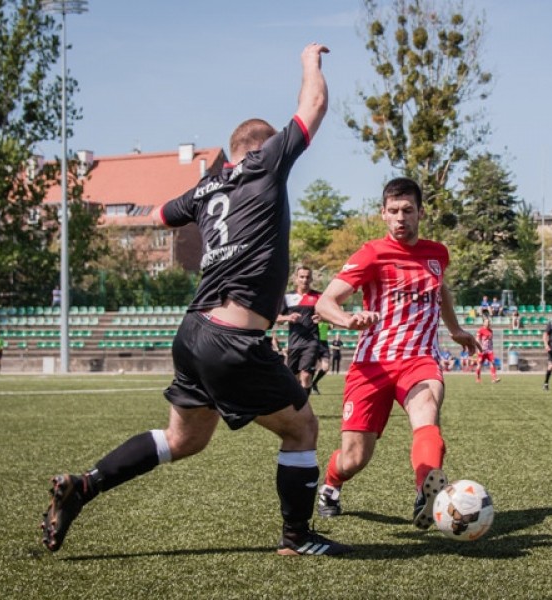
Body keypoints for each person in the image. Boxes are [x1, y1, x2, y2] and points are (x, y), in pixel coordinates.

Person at [39, 43, 351, 557]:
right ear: (262, 148)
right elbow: (313, 106)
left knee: (184, 440)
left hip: (193, 334)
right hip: (232, 337)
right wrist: (309, 63)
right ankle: (298, 538)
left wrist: (204, 187)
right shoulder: (263, 164)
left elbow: (161, 215)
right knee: (302, 427)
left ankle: (86, 485)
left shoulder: (210, 188)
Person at [313, 177, 479, 530]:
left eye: (407, 210)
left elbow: (441, 291)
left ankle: (426, 493)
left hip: (419, 359)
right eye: (393, 211)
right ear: (383, 214)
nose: (400, 217)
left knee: (427, 409)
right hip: (371, 365)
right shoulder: (371, 253)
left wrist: (455, 329)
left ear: (420, 212)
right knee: (354, 458)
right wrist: (347, 319)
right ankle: (330, 484)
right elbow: (326, 302)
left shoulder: (437, 253)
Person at [276, 266, 323, 397]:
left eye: (308, 277)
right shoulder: (287, 297)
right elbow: (278, 319)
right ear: (296, 279)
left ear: (311, 279)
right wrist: (287, 317)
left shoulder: (319, 296)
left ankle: (304, 406)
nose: (305, 280)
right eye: (302, 277)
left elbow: (327, 314)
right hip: (294, 343)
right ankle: (295, 405)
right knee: (292, 378)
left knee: (306, 375)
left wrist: (322, 317)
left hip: (311, 341)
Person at [475, 317, 500, 384]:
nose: (488, 323)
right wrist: (479, 348)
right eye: (486, 322)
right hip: (482, 350)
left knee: (493, 362)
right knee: (479, 364)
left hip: (489, 350)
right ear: (483, 323)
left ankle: (494, 378)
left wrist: (491, 348)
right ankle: (478, 378)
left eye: (488, 322)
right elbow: (477, 340)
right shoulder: (480, 330)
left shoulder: (491, 331)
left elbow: (490, 341)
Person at [311, 320, 331, 394]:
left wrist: (329, 325)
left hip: (324, 344)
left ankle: (314, 383)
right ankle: (307, 385)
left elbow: (330, 327)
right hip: (315, 342)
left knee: (326, 367)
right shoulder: (315, 318)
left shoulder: (326, 319)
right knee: (313, 367)